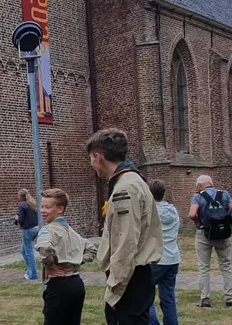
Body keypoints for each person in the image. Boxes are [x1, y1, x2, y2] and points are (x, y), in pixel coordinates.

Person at [86, 128, 163, 325]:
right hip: (135, 275)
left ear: (99, 156)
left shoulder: (125, 188)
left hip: (129, 278)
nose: (91, 164)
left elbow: (125, 242)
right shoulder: (131, 180)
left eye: (91, 159)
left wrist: (115, 287)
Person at [34, 188, 96, 325]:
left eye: (47, 207)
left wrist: (49, 266)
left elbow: (44, 247)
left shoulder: (47, 230)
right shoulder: (72, 232)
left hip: (59, 285)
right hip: (77, 285)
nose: (42, 210)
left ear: (60, 209)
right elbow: (92, 249)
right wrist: (77, 261)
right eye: (42, 206)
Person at [188, 174, 232, 309]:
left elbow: (192, 214)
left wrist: (198, 222)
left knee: (204, 267)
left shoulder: (198, 196)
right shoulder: (224, 194)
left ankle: (205, 299)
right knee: (226, 266)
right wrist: (226, 220)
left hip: (204, 234)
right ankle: (230, 300)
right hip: (223, 234)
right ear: (211, 182)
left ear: (199, 186)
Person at [148, 180, 181, 325]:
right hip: (173, 258)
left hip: (156, 259)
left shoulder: (150, 213)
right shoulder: (173, 210)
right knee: (168, 297)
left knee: (144, 295)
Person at [14, 188, 39, 280]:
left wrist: (16, 218)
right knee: (23, 251)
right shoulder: (33, 204)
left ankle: (33, 274)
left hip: (27, 230)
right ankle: (30, 270)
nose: (17, 197)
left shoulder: (22, 205)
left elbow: (20, 219)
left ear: (21, 196)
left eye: (18, 195)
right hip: (36, 228)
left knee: (29, 252)